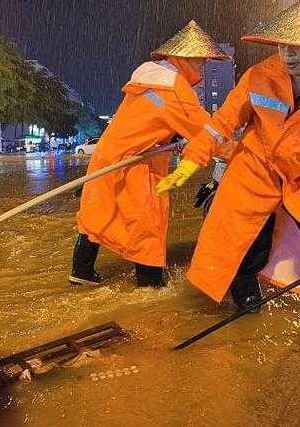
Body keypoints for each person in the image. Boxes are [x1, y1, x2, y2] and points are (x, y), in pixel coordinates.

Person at [157, 0, 300, 374]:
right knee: (243, 242)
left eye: (297, 47)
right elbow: (221, 123)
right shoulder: (259, 76)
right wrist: (194, 158)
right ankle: (248, 304)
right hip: (254, 167)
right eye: (282, 46)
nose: (287, 54)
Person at [71, 21, 230, 287]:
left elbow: (150, 121)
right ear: (184, 58)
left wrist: (170, 138)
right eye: (202, 60)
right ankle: (151, 287)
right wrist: (241, 152)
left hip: (109, 157)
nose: (204, 66)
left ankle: (81, 271)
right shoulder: (175, 88)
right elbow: (207, 133)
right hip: (135, 163)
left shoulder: (150, 79)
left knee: (97, 215)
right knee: (149, 224)